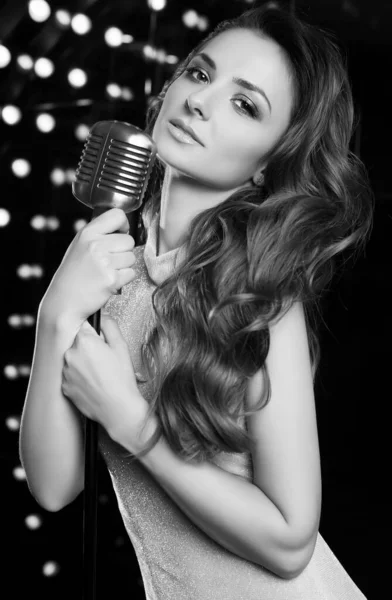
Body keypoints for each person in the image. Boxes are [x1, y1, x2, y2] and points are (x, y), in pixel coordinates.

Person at [19, 4, 373, 599]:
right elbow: (54, 488)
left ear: (269, 163)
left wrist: (132, 423)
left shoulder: (259, 297)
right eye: (200, 74)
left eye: (245, 104)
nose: (200, 102)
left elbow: (291, 544)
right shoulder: (112, 260)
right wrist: (55, 317)